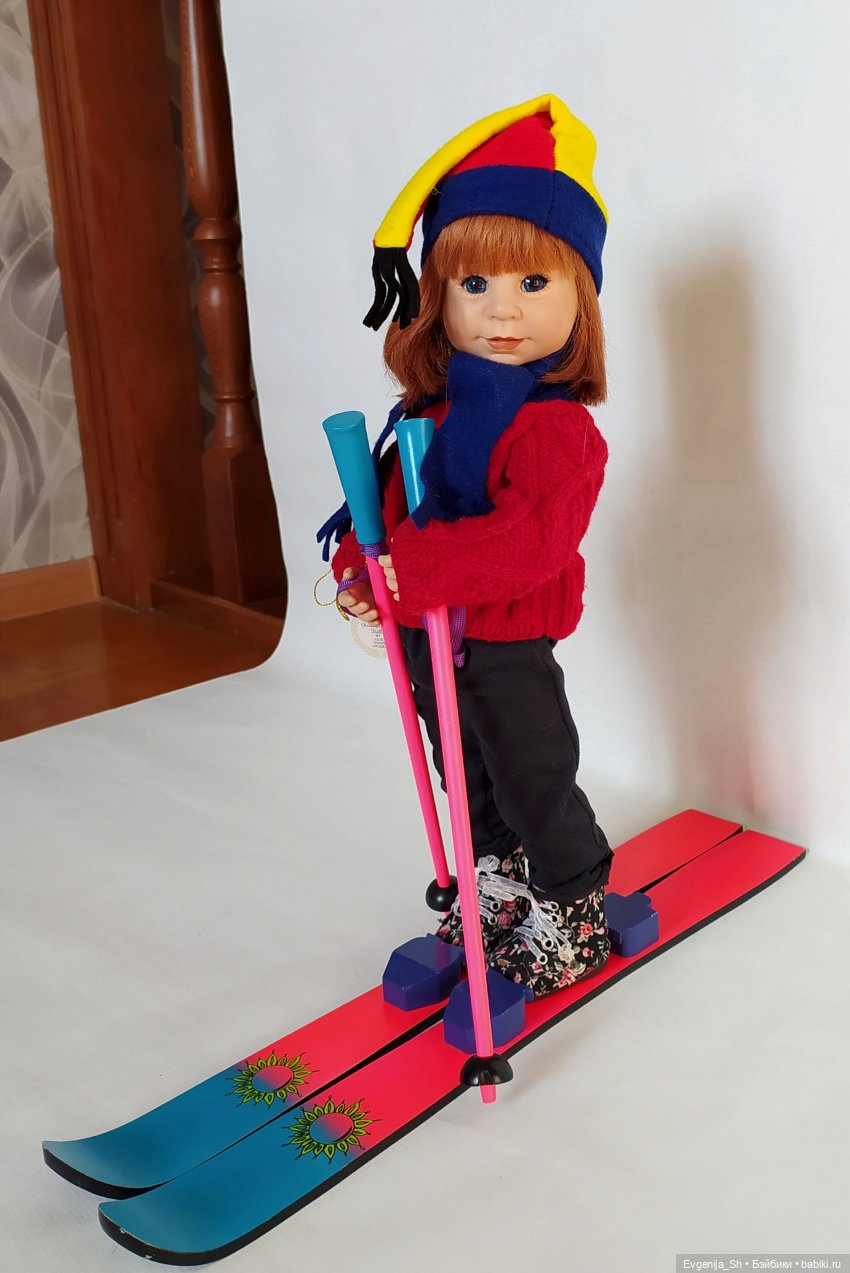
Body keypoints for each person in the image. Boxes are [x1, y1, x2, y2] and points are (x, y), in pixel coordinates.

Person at [317, 94, 613, 998]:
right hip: (429, 629)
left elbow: (531, 539)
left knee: (530, 770)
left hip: (507, 638)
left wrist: (418, 569)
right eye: (474, 284)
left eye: (534, 283)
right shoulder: (430, 413)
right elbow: (391, 505)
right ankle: (499, 872)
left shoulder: (557, 431)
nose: (502, 310)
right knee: (464, 765)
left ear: (581, 298)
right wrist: (364, 566)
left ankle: (571, 900)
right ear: (436, 296)